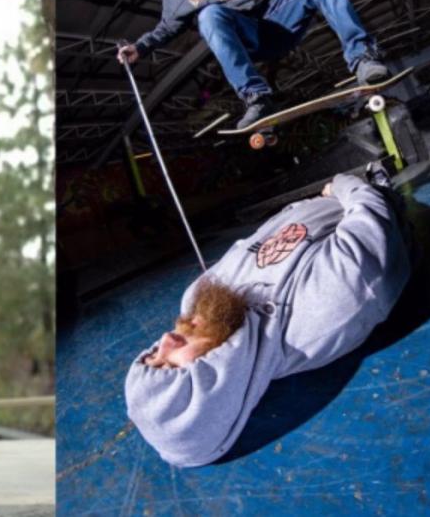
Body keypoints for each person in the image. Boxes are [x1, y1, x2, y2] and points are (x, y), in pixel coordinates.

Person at [124, 168, 413, 467]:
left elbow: (253, 242)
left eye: (153, 355)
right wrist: (341, 183)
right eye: (171, 365)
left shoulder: (199, 302)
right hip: (354, 192)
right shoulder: (327, 308)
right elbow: (373, 208)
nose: (165, 340)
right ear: (217, 388)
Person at [117, 0, 389, 129]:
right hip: (250, 37)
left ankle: (362, 56)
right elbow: (167, 27)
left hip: (280, 17)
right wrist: (140, 48)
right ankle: (256, 98)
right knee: (208, 16)